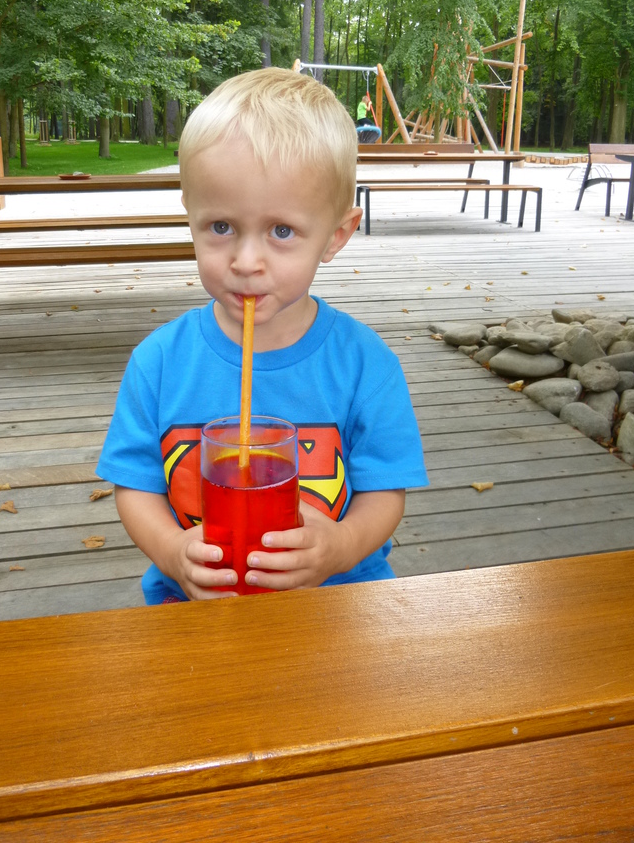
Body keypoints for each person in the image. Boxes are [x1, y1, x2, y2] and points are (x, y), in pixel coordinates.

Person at [96, 68, 427, 603]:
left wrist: (340, 547)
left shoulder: (366, 365)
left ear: (336, 235)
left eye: (282, 231)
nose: (246, 261)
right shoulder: (159, 361)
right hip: (196, 607)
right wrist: (172, 553)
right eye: (221, 227)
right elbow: (135, 485)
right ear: (191, 218)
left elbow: (385, 491)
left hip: (339, 604)